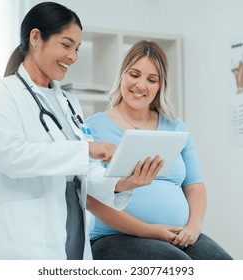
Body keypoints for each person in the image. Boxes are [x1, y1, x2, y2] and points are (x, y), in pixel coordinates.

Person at [0, 3, 162, 260]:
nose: (73, 57)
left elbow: (85, 170)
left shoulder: (69, 103)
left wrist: (122, 183)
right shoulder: (0, 94)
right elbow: (12, 157)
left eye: (77, 49)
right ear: (36, 38)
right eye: (66, 45)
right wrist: (86, 149)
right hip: (24, 244)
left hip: (73, 242)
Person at [86, 40, 233, 260]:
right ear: (122, 75)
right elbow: (89, 198)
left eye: (151, 79)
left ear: (160, 85)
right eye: (134, 75)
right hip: (114, 237)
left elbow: (195, 185)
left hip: (177, 233)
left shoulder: (176, 126)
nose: (141, 85)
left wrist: (193, 227)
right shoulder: (92, 128)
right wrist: (150, 231)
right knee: (176, 264)